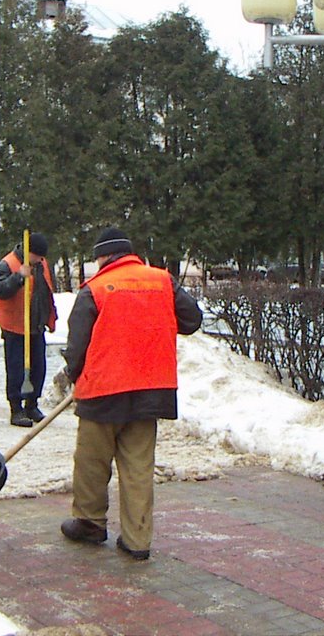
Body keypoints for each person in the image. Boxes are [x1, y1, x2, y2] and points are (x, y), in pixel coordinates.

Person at [56, 227, 202, 561]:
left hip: (103, 390)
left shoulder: (94, 289)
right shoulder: (163, 281)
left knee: (92, 462)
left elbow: (77, 345)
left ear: (105, 256)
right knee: (138, 466)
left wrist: (75, 375)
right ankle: (137, 540)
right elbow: (191, 320)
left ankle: (90, 524)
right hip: (151, 389)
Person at [0, 232, 58, 427]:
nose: (40, 260)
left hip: (36, 325)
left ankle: (32, 404)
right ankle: (16, 408)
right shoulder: (7, 264)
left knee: (38, 368)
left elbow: (46, 291)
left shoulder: (41, 264)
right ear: (29, 252)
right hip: (14, 326)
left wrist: (50, 316)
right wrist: (18, 277)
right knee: (16, 369)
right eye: (37, 256)